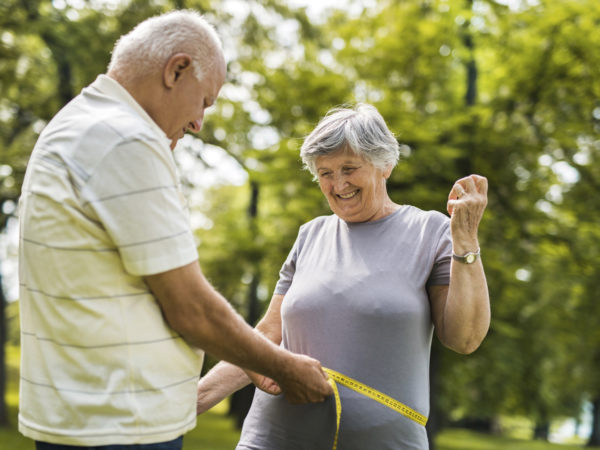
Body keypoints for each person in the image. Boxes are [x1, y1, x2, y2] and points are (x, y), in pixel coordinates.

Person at [17, 10, 332, 450]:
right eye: (204, 101)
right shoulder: (124, 139)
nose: (198, 123)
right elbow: (191, 309)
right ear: (177, 69)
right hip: (121, 429)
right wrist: (284, 367)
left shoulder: (81, 123)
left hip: (90, 418)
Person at [196, 103, 491, 449]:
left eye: (349, 168)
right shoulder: (310, 235)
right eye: (325, 173)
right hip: (273, 438)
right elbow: (267, 335)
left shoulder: (431, 232)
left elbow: (464, 338)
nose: (338, 184)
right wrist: (194, 401)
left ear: (385, 165)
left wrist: (466, 238)